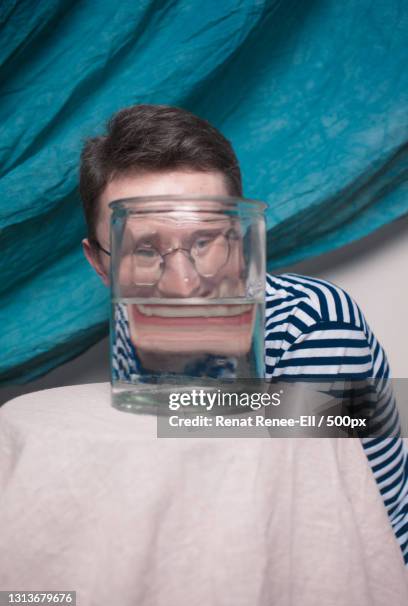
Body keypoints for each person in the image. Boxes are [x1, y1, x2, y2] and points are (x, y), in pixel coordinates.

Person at [80, 104, 408, 565]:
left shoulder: (314, 323)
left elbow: (313, 520)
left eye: (203, 241)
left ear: (240, 237)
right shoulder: (132, 326)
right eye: (146, 250)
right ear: (101, 264)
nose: (183, 284)